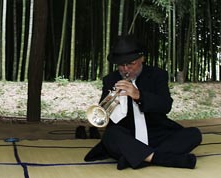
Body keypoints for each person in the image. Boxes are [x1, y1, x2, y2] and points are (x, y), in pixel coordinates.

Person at [84, 35, 202, 170]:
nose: (126, 69)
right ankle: (159, 158)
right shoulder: (110, 80)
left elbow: (165, 105)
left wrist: (138, 95)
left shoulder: (158, 75)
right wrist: (115, 99)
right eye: (121, 65)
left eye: (131, 64)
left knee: (194, 134)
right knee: (111, 135)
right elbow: (104, 114)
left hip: (156, 132)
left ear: (142, 59)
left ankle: (137, 157)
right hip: (127, 136)